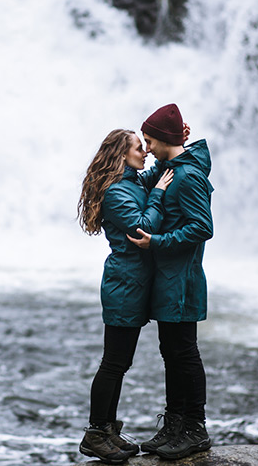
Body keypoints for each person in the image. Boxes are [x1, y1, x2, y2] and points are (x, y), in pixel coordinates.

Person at [76, 128, 175, 464]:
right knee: (114, 363)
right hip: (124, 284)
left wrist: (178, 143)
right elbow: (141, 228)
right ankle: (94, 433)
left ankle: (106, 429)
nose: (145, 151)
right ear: (121, 154)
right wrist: (159, 193)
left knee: (120, 362)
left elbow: (154, 172)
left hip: (132, 283)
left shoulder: (130, 181)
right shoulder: (117, 192)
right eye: (138, 147)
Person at [127, 103, 214, 461]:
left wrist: (156, 242)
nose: (145, 147)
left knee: (184, 353)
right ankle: (175, 424)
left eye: (148, 140)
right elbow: (154, 176)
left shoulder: (189, 175)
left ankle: (195, 427)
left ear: (163, 139)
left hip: (183, 281)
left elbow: (203, 227)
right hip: (168, 278)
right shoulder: (173, 169)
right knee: (171, 353)